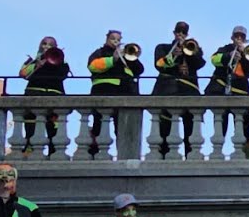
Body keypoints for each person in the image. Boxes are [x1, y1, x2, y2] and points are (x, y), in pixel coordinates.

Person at [152, 21, 206, 158]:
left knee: (191, 129)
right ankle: (163, 157)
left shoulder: (193, 48)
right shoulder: (163, 48)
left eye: (184, 33)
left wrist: (188, 53)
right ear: (174, 33)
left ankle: (191, 157)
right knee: (165, 129)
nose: (181, 35)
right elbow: (159, 65)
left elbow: (200, 63)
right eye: (178, 32)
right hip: (167, 92)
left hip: (189, 93)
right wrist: (174, 56)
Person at [87, 29, 144, 157]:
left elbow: (139, 70)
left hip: (125, 92)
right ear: (107, 39)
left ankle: (124, 154)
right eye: (113, 38)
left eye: (118, 39)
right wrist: (113, 59)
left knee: (123, 129)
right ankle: (94, 154)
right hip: (103, 92)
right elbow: (93, 66)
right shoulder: (100, 52)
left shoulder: (127, 56)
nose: (116, 41)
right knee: (99, 126)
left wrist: (131, 58)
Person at [17, 36, 71, 155]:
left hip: (55, 96)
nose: (47, 47)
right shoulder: (33, 60)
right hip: (33, 95)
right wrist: (37, 65)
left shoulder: (61, 61)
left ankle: (54, 152)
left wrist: (55, 62)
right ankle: (29, 149)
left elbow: (63, 75)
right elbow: (23, 73)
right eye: (44, 44)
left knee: (53, 128)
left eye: (50, 45)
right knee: (30, 126)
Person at [205, 26, 249, 152]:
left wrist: (243, 56)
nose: (239, 38)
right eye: (237, 36)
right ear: (232, 37)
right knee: (221, 124)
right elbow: (214, 60)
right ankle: (217, 152)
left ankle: (246, 154)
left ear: (245, 39)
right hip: (223, 91)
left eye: (242, 37)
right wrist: (229, 55)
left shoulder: (248, 52)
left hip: (241, 92)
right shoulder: (225, 49)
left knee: (243, 128)